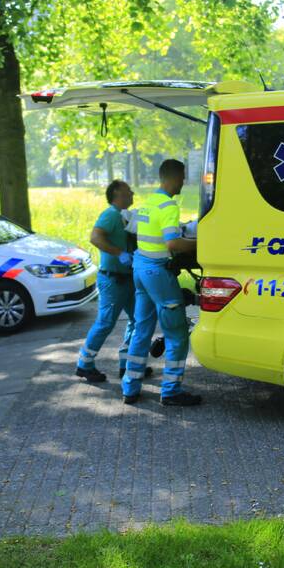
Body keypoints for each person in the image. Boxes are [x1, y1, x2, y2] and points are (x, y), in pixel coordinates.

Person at [122, 159, 201, 406]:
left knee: (142, 329)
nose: (184, 182)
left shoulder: (149, 203)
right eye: (183, 177)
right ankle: (170, 391)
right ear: (174, 178)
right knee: (177, 334)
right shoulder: (168, 206)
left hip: (140, 269)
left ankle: (130, 388)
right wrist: (203, 242)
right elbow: (173, 243)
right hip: (157, 274)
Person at [75, 180, 153, 383]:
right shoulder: (110, 214)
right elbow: (95, 237)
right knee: (106, 322)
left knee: (137, 319)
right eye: (129, 191)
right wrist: (120, 253)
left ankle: (127, 363)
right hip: (113, 280)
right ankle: (84, 365)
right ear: (118, 193)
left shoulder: (124, 216)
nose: (133, 193)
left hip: (126, 279)